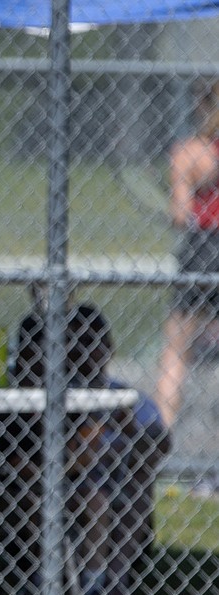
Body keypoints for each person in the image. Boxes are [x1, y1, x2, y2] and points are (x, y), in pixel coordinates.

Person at [10, 302, 171, 595]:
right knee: (95, 498)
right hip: (67, 482)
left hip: (116, 485)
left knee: (135, 483)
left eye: (94, 343)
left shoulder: (121, 394)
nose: (87, 352)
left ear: (109, 348)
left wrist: (129, 432)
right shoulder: (64, 395)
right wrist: (98, 433)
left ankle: (115, 583)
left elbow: (160, 441)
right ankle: (90, 587)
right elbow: (69, 458)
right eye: (78, 343)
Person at [156, 79, 219, 426]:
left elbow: (181, 214)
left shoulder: (189, 152)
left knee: (176, 351)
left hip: (203, 246)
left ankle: (160, 437)